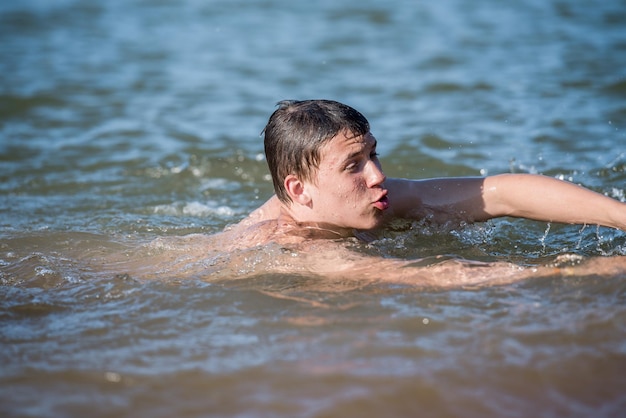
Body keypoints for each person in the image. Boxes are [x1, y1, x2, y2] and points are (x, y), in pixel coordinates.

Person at [110, 99, 626, 287]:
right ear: (299, 189)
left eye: (373, 154)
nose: (378, 175)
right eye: (354, 166)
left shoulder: (376, 198)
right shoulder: (293, 245)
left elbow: (504, 193)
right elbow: (432, 278)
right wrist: (586, 271)